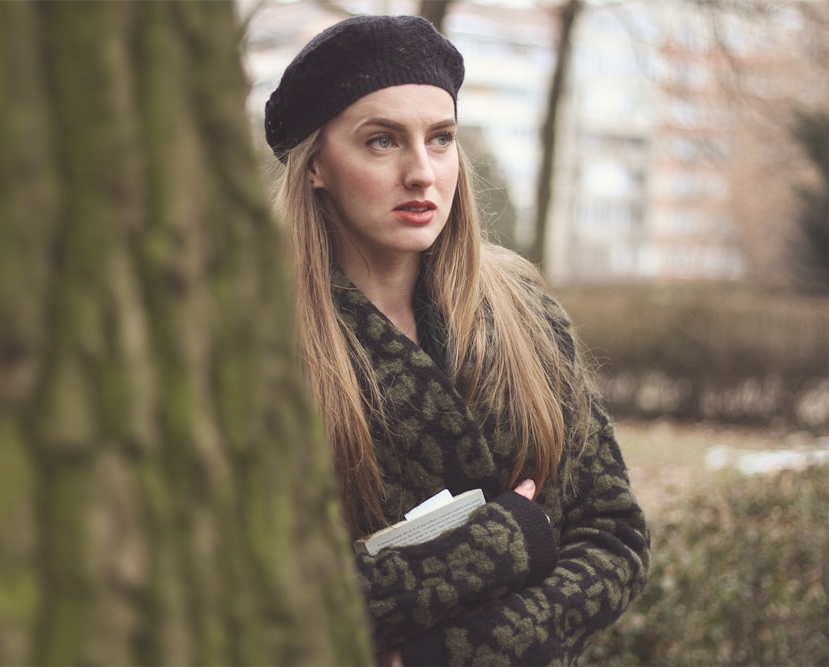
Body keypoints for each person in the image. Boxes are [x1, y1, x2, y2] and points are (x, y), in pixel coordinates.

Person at [264, 14, 650, 666]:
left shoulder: (526, 316)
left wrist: (442, 654)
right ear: (316, 167)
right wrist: (502, 541)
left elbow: (615, 534)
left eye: (440, 139)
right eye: (382, 141)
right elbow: (264, 594)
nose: (422, 172)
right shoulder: (258, 351)